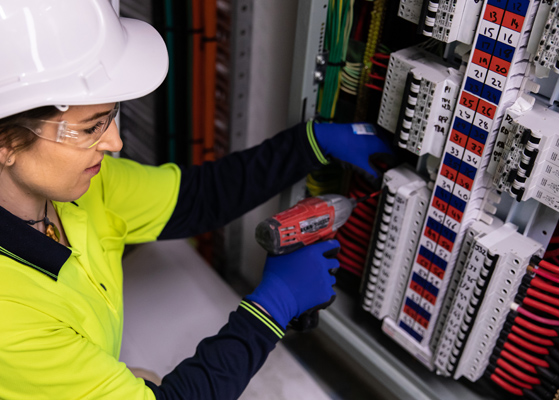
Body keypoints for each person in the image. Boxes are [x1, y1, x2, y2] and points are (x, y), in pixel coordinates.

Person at [0, 1, 393, 399]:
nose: (114, 141)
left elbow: (198, 198)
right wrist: (272, 308)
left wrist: (309, 145)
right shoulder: (9, 318)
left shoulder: (76, 190)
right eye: (90, 128)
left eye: (110, 117)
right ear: (5, 143)